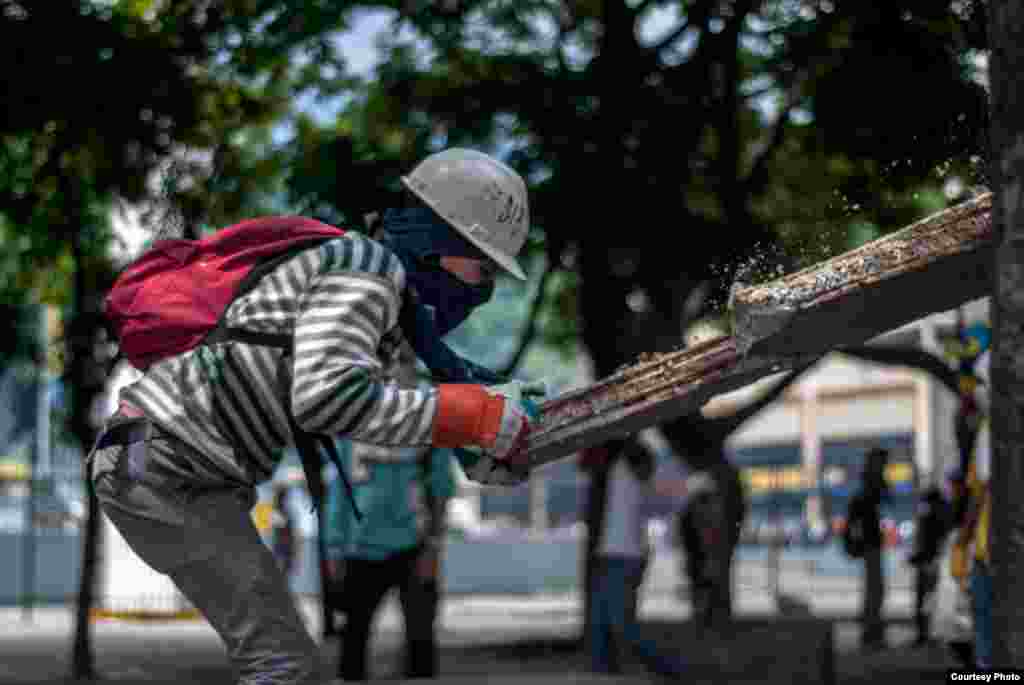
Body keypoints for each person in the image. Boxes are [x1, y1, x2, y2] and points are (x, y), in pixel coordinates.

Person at [86, 148, 541, 685]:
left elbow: (396, 400)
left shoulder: (377, 296)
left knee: (287, 660)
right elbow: (328, 397)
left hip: (167, 465)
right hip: (163, 465)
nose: (483, 291)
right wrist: (465, 419)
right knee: (283, 663)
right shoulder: (368, 272)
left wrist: (476, 432)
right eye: (481, 268)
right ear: (440, 240)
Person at [324, 437, 455, 682]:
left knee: (421, 640)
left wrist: (433, 546)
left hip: (415, 547)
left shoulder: (427, 422)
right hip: (360, 547)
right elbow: (338, 489)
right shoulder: (351, 425)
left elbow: (440, 487)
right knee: (353, 640)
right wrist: (334, 547)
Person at [587, 438, 687, 679]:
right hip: (611, 553)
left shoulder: (630, 460)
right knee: (599, 624)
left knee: (620, 625)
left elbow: (646, 473)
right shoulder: (614, 463)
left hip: (624, 555)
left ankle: (670, 669)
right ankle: (605, 674)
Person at [850, 447, 889, 651]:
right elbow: (882, 496)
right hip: (871, 544)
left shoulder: (869, 484)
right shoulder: (872, 484)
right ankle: (872, 632)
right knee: (875, 590)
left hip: (870, 543)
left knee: (874, 589)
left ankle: (872, 630)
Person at [906, 485, 952, 647]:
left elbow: (927, 544)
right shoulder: (942, 516)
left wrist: (918, 559)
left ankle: (924, 634)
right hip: (932, 563)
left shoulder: (931, 517)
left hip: (928, 564)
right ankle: (928, 633)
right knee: (930, 600)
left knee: (925, 600)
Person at [271, 484, 298, 578]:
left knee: (285, 574)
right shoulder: (278, 511)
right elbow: (280, 527)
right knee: (282, 573)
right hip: (282, 547)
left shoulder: (283, 510)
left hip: (285, 546)